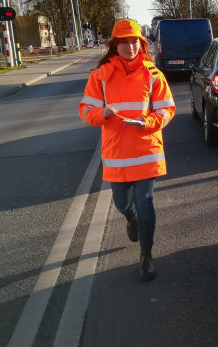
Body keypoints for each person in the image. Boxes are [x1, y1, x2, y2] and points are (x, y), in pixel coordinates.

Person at [78, 18, 176, 282]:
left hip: (146, 148)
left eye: (134, 42)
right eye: (124, 43)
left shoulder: (153, 74)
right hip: (116, 152)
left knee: (145, 201)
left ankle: (146, 255)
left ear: (141, 44)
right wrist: (102, 113)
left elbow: (167, 109)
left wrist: (149, 121)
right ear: (115, 45)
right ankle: (130, 217)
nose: (130, 47)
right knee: (123, 203)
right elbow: (85, 110)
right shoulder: (101, 75)